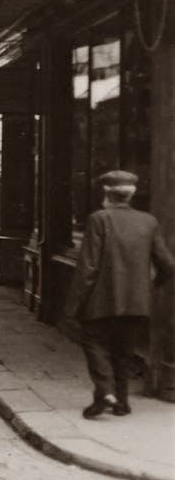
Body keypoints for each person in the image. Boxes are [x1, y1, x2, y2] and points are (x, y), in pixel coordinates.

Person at [64, 170, 175, 419]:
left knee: (94, 344)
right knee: (123, 353)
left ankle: (105, 392)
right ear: (130, 195)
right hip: (137, 304)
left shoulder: (99, 219)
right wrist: (150, 287)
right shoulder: (149, 221)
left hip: (101, 302)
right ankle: (121, 403)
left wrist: (73, 306)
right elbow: (168, 265)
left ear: (106, 194)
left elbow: (88, 268)